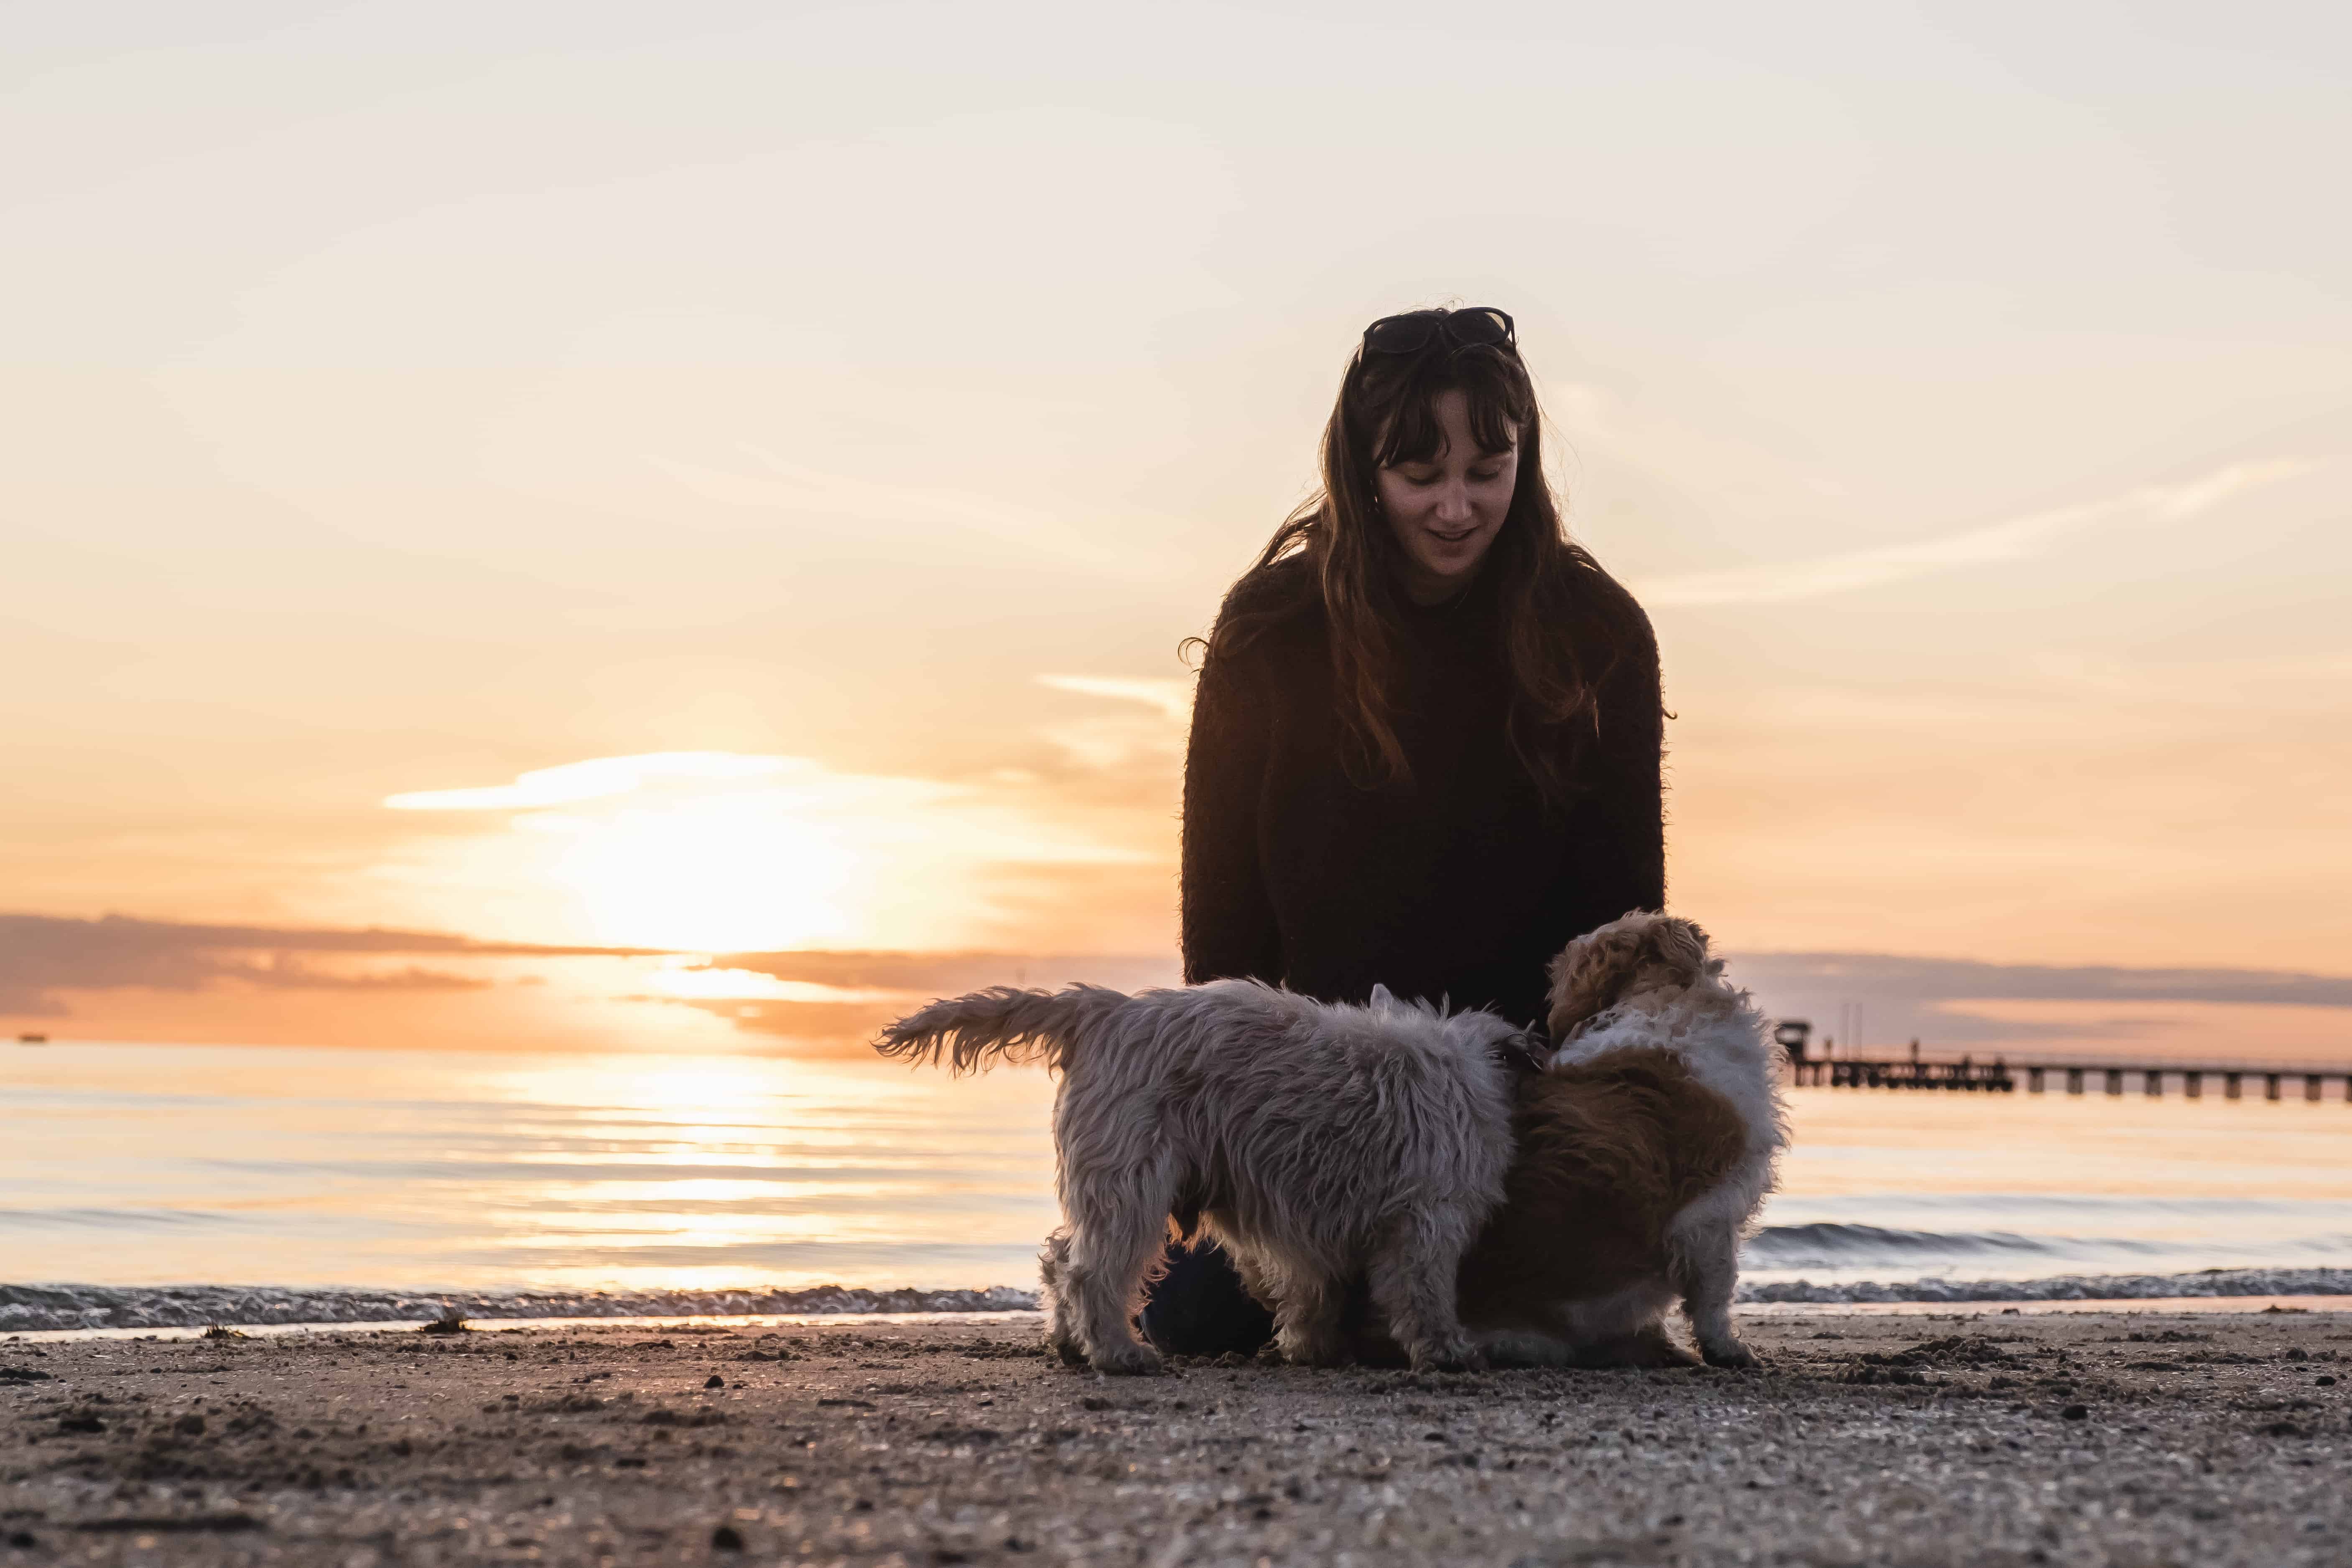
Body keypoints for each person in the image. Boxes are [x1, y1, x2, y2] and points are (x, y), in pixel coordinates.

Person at [1144, 305, 1666, 1356]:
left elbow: (1623, 937)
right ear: (1360, 466)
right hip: (1313, 1113)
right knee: (1194, 1318)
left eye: (1490, 466)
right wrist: (1240, 1138)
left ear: (1527, 454)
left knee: (1547, 1312)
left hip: (1512, 1114)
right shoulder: (1272, 627)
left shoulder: (1598, 631)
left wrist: (1589, 1147)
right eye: (1419, 473)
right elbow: (1224, 935)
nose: (1457, 507)